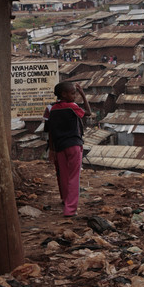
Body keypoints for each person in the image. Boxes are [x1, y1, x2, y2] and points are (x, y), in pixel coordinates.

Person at [48, 82, 91, 217]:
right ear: (64, 94)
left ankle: (65, 201)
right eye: (73, 93)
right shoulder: (72, 107)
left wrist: (52, 149)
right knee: (74, 177)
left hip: (59, 146)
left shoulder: (52, 109)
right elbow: (88, 113)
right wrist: (83, 94)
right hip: (73, 145)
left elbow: (50, 131)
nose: (74, 96)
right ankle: (70, 209)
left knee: (64, 176)